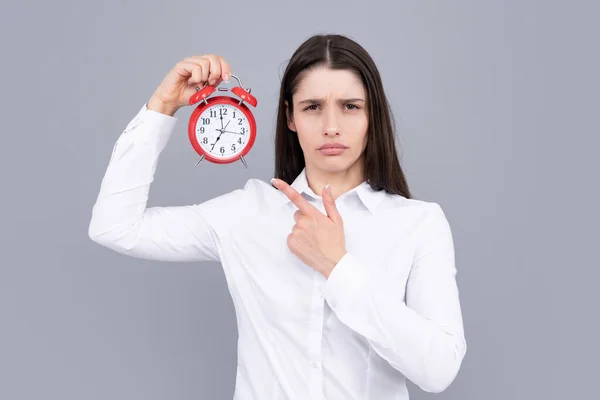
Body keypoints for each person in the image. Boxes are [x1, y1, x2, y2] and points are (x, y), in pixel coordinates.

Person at [88, 34, 467, 399]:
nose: (331, 126)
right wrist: (163, 105)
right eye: (312, 107)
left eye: (351, 106)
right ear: (290, 116)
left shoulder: (418, 224)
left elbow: (438, 371)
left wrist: (338, 267)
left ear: (372, 115)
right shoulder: (246, 214)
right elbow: (115, 227)